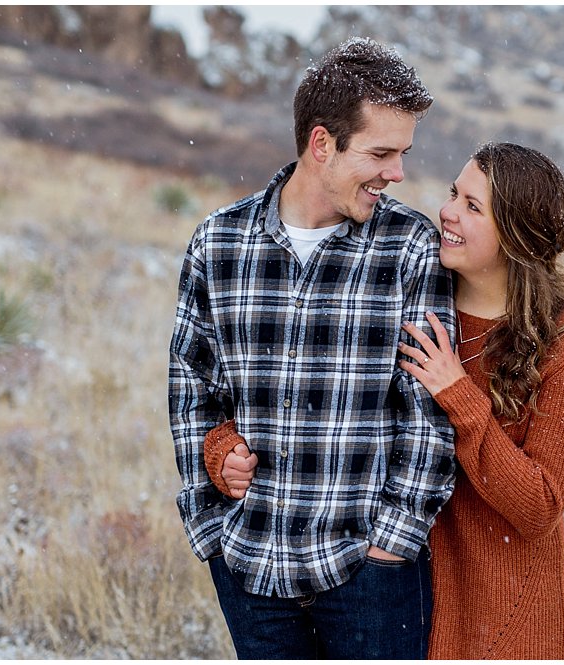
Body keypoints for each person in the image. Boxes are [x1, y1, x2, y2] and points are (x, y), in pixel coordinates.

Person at [168, 37, 457, 660]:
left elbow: (429, 414)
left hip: (370, 576)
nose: (398, 174)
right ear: (322, 143)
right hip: (248, 563)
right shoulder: (218, 245)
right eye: (381, 153)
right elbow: (192, 390)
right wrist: (209, 511)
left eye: (403, 154)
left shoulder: (410, 247)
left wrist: (392, 544)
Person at [397, 141, 564, 659]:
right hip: (398, 598)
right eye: (453, 194)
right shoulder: (416, 301)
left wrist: (459, 398)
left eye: (471, 206)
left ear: (515, 235)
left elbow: (540, 507)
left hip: (505, 620)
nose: (446, 212)